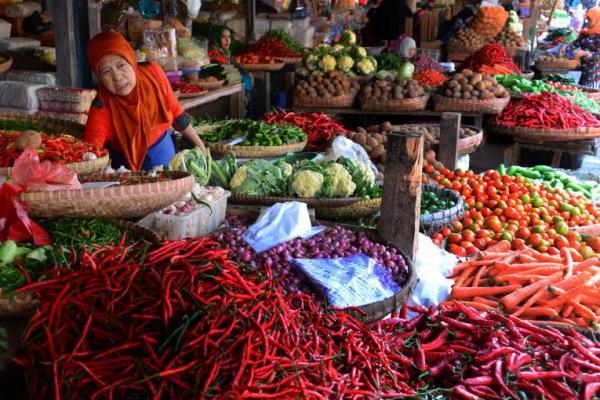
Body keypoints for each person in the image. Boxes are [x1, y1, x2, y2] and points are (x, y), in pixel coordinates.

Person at [84, 32, 205, 171]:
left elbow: (177, 114)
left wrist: (201, 147)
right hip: (126, 169)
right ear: (99, 76)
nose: (117, 77)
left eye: (121, 65)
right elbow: (90, 156)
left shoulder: (153, 73)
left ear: (131, 60)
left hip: (163, 151)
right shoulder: (101, 108)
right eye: (106, 71)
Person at [573, 7, 600, 88]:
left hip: (592, 74)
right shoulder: (585, 32)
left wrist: (585, 53)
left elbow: (598, 55)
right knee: (578, 90)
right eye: (587, 19)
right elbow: (575, 44)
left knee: (588, 94)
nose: (588, 22)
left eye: (590, 20)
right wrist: (564, 49)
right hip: (580, 69)